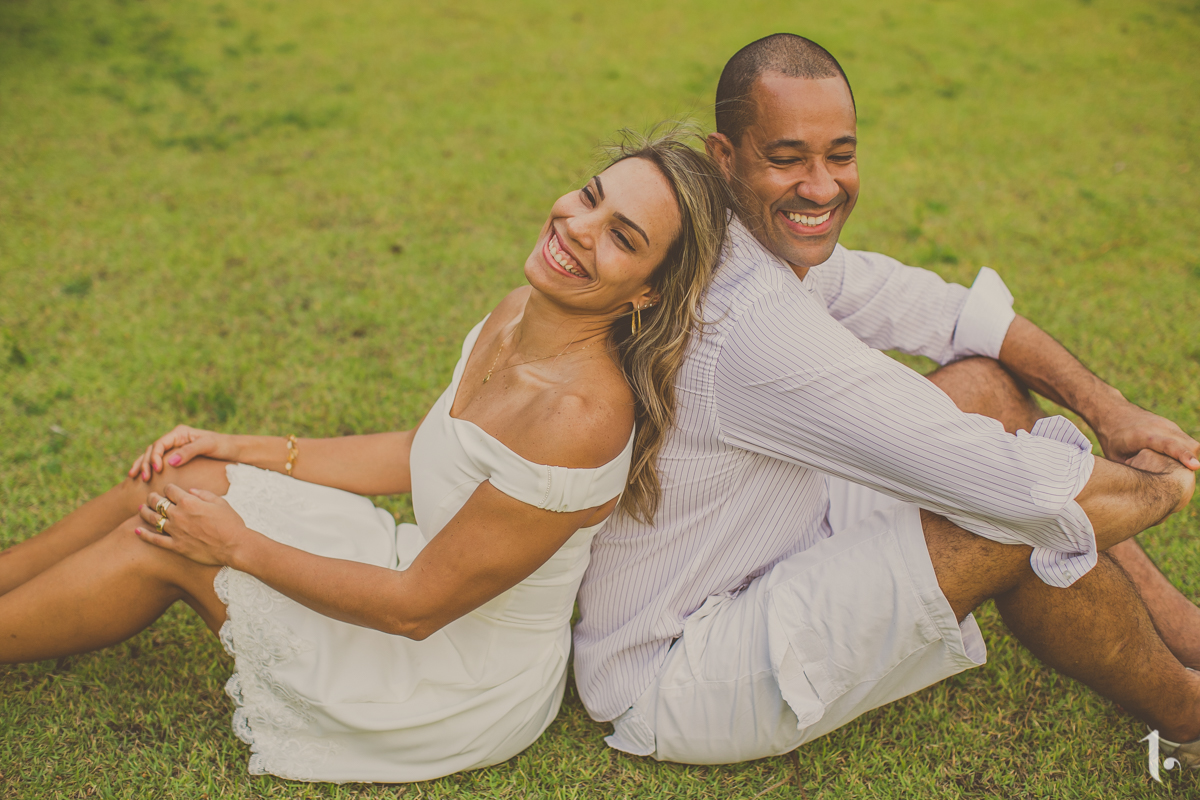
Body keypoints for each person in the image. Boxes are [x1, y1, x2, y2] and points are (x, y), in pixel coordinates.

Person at [0, 131, 731, 782]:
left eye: (621, 236)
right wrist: (239, 447)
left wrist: (238, 546)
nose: (576, 228)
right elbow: (423, 451)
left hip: (448, 673)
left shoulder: (578, 419)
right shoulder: (519, 308)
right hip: (411, 567)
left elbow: (417, 610)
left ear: (648, 291)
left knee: (177, 545)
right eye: (591, 198)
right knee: (181, 481)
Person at [574, 34, 1200, 767]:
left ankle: (1184, 629)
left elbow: (958, 315)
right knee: (1002, 519)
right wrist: (1169, 484)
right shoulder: (750, 323)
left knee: (983, 386)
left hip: (778, 533)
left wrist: (1111, 409)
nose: (821, 186)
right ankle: (1189, 717)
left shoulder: (751, 241)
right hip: (677, 663)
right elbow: (1015, 488)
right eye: (786, 158)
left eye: (839, 155)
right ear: (725, 158)